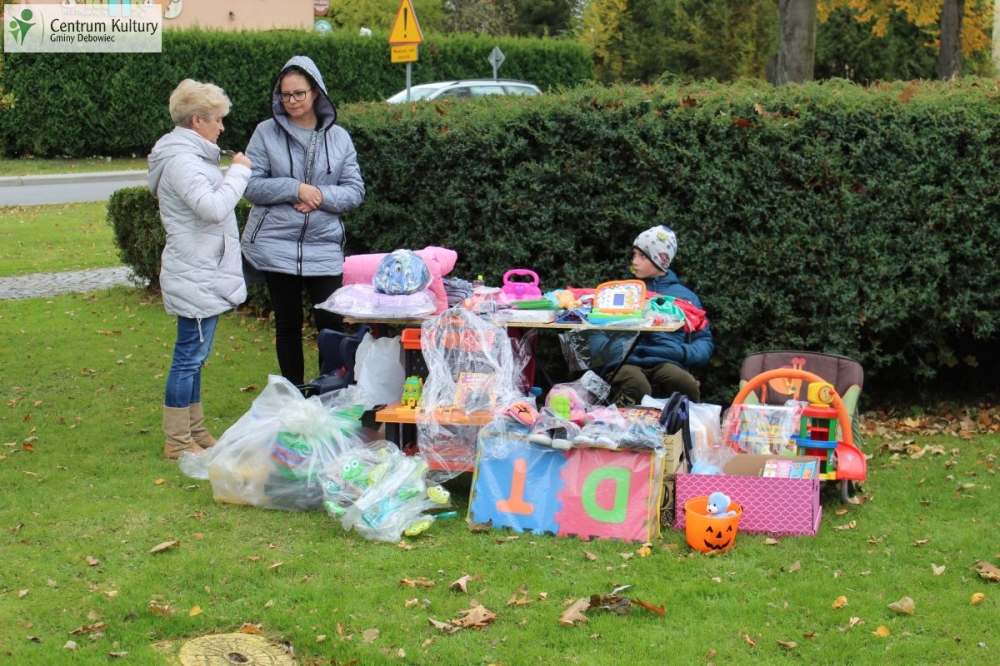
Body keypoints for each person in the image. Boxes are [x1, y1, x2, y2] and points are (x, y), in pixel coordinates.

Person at [241, 55, 366, 386]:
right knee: (288, 323)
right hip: (276, 245)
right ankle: (294, 395)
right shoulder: (265, 133)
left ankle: (329, 392)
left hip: (323, 246)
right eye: (285, 95)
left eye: (298, 93)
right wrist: (295, 189)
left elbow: (355, 191)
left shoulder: (339, 138)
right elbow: (250, 186)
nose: (292, 101)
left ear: (316, 92)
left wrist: (319, 196)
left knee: (331, 324)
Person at [148, 79, 253, 460]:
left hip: (202, 271)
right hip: (194, 272)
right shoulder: (182, 161)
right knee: (188, 357)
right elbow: (212, 207)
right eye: (217, 119)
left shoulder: (191, 157)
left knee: (196, 356)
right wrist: (238, 172)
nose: (222, 127)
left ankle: (195, 431)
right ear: (197, 120)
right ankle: (178, 441)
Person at [609, 225, 714, 404]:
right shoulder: (622, 291)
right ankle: (624, 422)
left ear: (660, 260)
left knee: (685, 384)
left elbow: (703, 340)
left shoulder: (686, 298)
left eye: (643, 256)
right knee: (636, 384)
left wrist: (683, 353)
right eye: (634, 255)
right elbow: (600, 330)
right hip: (626, 362)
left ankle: (683, 422)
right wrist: (614, 351)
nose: (635, 261)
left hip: (667, 361)